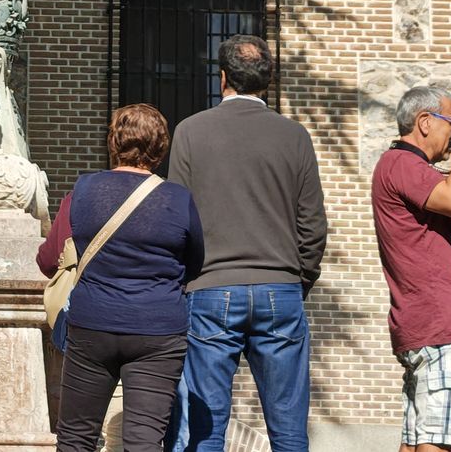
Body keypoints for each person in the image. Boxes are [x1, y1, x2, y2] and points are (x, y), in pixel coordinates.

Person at [167, 36, 329, 452]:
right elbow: (312, 224)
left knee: (206, 430)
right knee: (289, 431)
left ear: (222, 78)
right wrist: (299, 278)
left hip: (211, 288)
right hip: (280, 288)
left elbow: (178, 220)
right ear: (268, 80)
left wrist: (187, 281)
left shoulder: (190, 131)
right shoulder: (294, 136)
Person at [36, 104, 204, 452]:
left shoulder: (83, 191)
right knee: (144, 440)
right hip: (158, 329)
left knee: (76, 437)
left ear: (113, 142)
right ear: (161, 148)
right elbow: (194, 264)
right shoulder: (179, 199)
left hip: (92, 325)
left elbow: (48, 259)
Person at [371, 84, 451, 452]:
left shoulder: (418, 172)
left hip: (430, 324)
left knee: (418, 442)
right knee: (441, 442)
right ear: (425, 122)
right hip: (440, 325)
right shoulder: (402, 163)